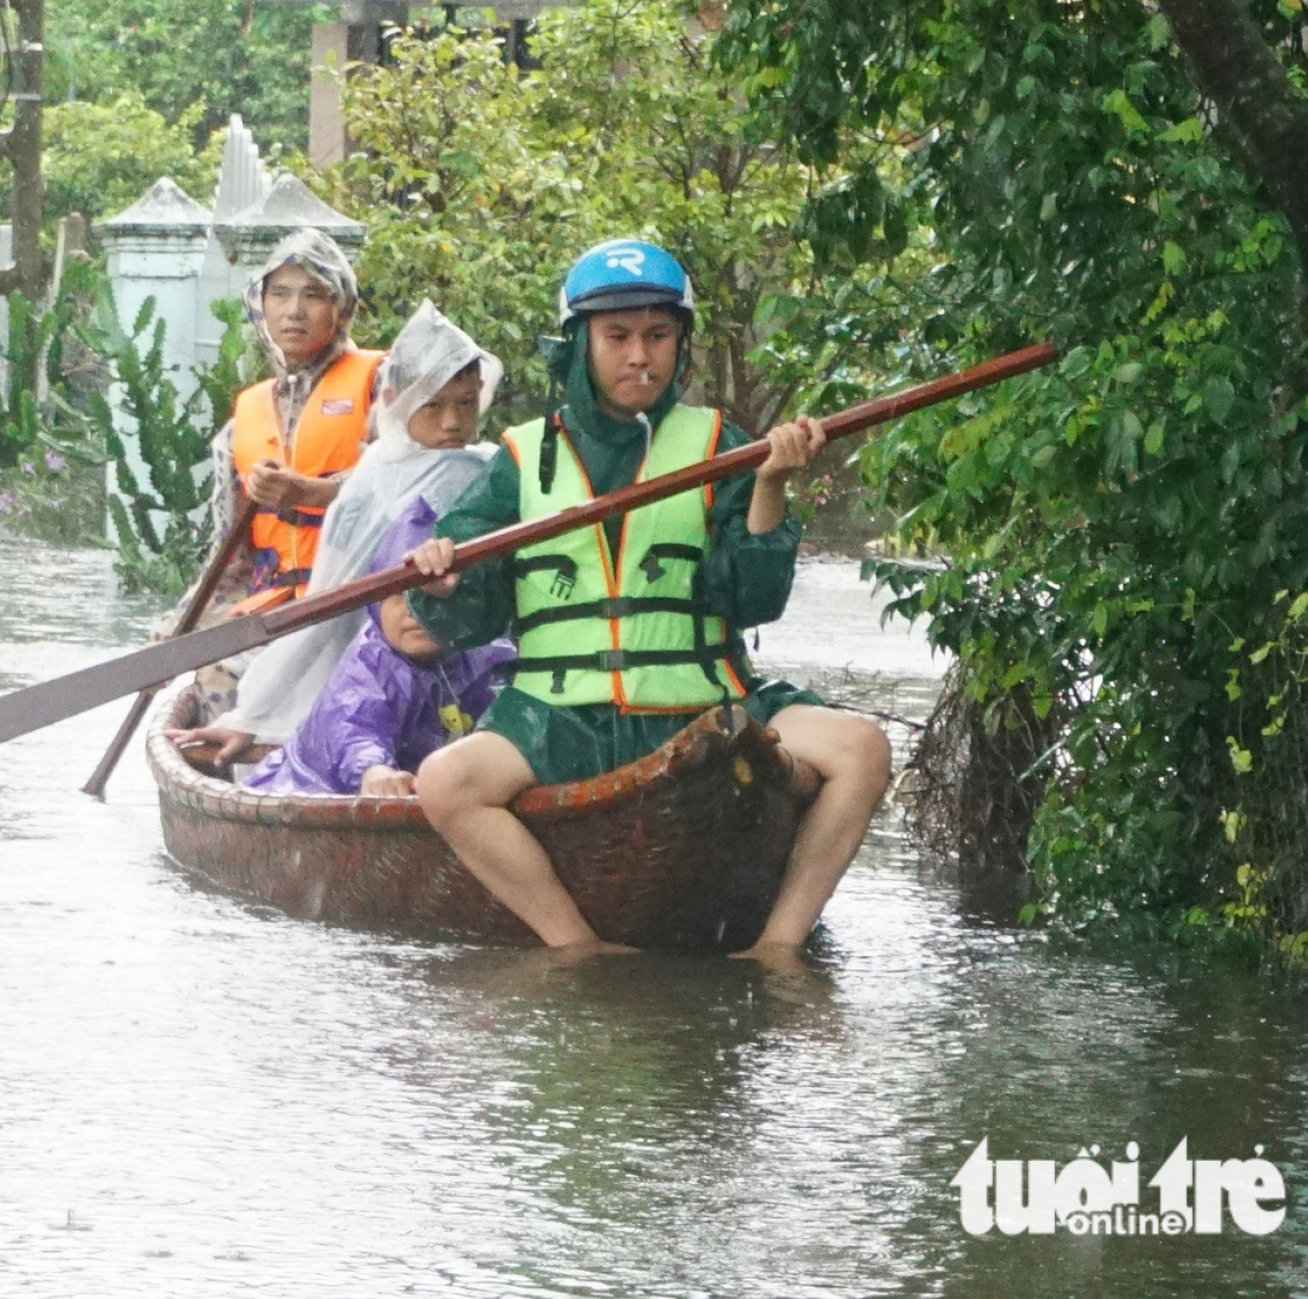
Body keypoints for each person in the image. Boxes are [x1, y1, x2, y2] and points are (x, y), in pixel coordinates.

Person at [402, 238, 892, 959]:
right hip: (559, 715)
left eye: (658, 336)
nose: (640, 357)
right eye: (618, 337)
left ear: (681, 345)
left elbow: (752, 601)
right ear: (580, 344)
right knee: (446, 782)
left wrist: (770, 487)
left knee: (864, 748)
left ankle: (778, 945)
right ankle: (575, 945)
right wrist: (444, 578)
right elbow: (465, 617)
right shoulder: (518, 460)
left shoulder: (723, 443)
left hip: (702, 703)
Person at [172, 300, 502, 760]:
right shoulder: (371, 479)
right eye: (433, 405)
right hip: (372, 666)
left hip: (471, 660)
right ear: (396, 401)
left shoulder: (488, 468)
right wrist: (253, 716)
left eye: (466, 404)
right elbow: (325, 608)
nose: (452, 422)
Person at [241, 501, 515, 796]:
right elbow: (353, 726)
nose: (415, 612)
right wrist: (375, 771)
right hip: (307, 789)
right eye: (398, 596)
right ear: (376, 604)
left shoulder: (489, 655)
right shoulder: (368, 664)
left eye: (429, 596)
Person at [208, 228, 385, 616]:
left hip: (359, 603)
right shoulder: (245, 416)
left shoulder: (382, 381)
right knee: (177, 667)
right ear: (261, 305)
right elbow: (229, 559)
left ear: (342, 309)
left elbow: (408, 485)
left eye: (314, 294)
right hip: (272, 606)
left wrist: (311, 493)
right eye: (280, 294)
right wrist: (178, 635)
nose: (294, 311)